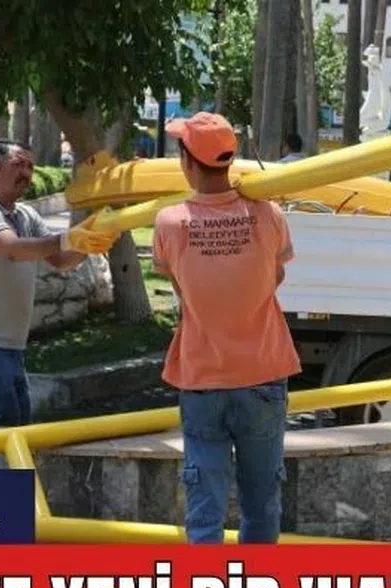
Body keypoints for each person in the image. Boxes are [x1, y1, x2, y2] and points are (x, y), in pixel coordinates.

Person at [152, 112, 302, 544]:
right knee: (262, 506)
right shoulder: (268, 214)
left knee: (205, 513)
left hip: (202, 378)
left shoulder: (169, 222)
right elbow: (276, 276)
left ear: (187, 160)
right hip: (263, 373)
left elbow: (180, 286)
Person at [0, 139, 119, 428]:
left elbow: (60, 259)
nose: (26, 173)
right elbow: (12, 248)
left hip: (8, 342)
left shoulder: (26, 215)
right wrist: (70, 238)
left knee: (17, 423)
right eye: (18, 165)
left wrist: (92, 241)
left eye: (30, 167)